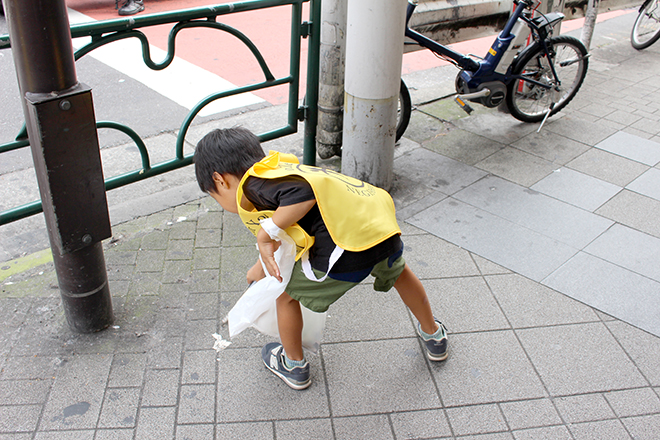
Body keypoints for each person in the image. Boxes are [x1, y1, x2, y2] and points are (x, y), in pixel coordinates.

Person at [194, 127, 448, 390]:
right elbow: (291, 230)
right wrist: (260, 266)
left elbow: (301, 197)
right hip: (381, 232)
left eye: (214, 196)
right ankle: (434, 335)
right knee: (401, 275)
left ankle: (294, 366)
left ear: (220, 180)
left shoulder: (255, 183)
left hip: (346, 250)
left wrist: (264, 234)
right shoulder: (277, 171)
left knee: (285, 296)